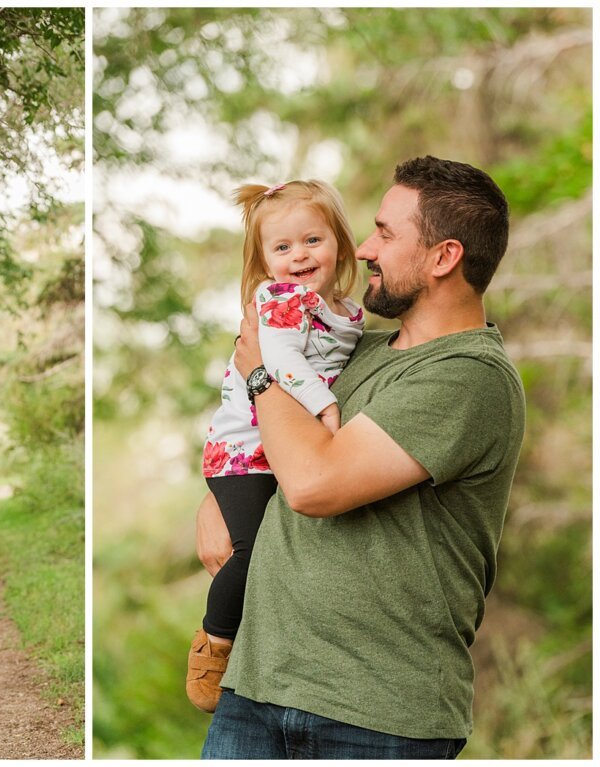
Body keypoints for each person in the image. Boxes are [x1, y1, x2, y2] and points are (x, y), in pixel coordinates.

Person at [197, 156, 525, 759]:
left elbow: (315, 484)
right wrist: (218, 495)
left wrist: (259, 372)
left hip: (377, 715)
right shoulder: (354, 349)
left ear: (443, 257)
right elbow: (267, 434)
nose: (365, 248)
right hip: (258, 691)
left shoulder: (469, 376)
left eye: (385, 232)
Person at [189, 180, 365, 713]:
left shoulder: (349, 313)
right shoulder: (282, 302)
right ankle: (214, 640)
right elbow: (282, 364)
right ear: (265, 262)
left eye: (312, 240)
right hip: (244, 451)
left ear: (339, 242)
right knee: (251, 552)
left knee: (287, 547)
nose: (299, 256)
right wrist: (325, 407)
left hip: (281, 447)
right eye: (282, 248)